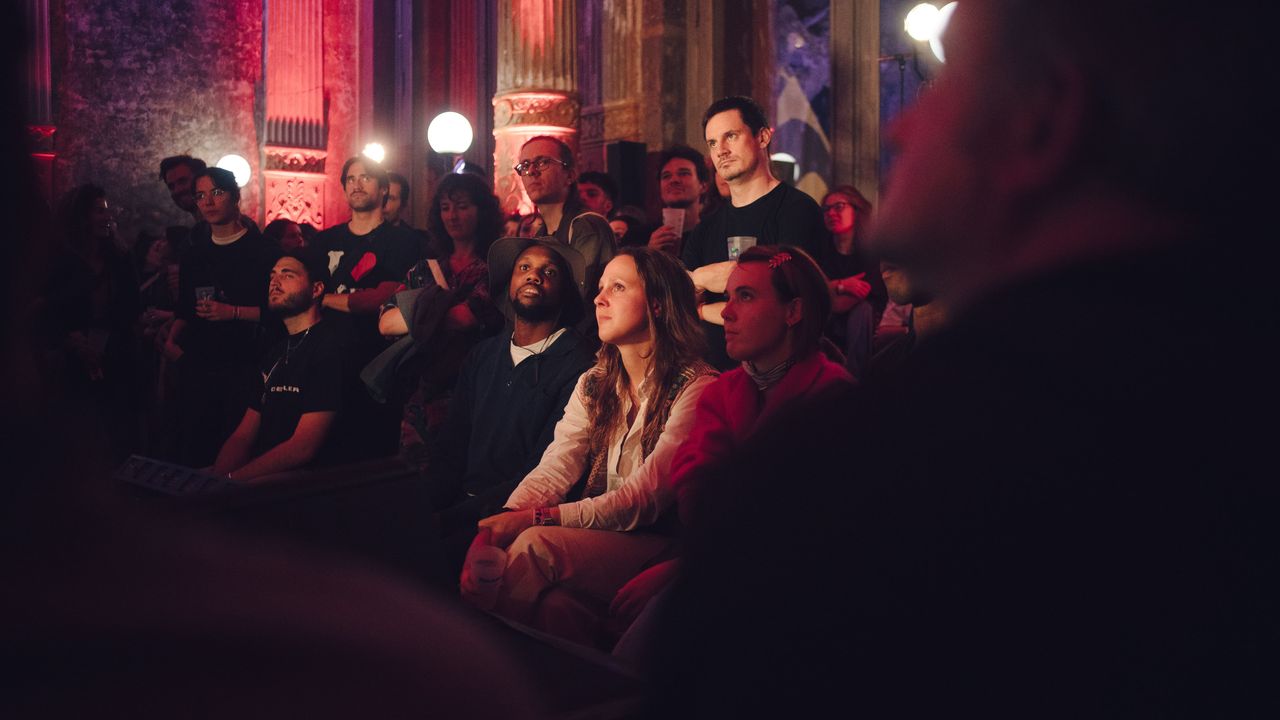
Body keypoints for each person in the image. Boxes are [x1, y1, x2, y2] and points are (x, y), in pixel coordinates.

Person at [647, 0, 1279, 715]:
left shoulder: (869, 469)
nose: (900, 125)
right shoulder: (1224, 389)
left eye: (951, 84)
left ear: (1043, 119)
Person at [466, 248, 716, 647]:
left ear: (657, 303)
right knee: (553, 604)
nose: (599, 299)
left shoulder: (697, 386)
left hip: (668, 546)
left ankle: (478, 664)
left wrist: (536, 520)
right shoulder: (594, 382)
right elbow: (555, 467)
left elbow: (643, 501)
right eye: (600, 288)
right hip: (607, 538)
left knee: (534, 545)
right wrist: (505, 521)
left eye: (618, 287)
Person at [609, 245, 852, 655]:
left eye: (746, 296)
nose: (726, 312)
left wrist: (684, 568)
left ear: (793, 311)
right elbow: (697, 496)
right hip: (719, 561)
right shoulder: (722, 393)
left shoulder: (833, 398)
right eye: (729, 296)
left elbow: (801, 526)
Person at [430, 238, 594, 572]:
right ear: (510, 284)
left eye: (549, 272)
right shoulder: (484, 354)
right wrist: (430, 509)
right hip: (458, 504)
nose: (534, 276)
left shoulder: (578, 364)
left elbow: (544, 467)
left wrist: (458, 519)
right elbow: (452, 443)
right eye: (525, 268)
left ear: (565, 292)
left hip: (517, 517)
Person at [680, 96, 825, 369]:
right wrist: (700, 278)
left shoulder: (798, 210)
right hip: (714, 377)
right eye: (712, 143)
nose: (721, 151)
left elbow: (784, 304)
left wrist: (701, 308)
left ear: (763, 137)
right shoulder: (706, 228)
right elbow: (675, 302)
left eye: (731, 136)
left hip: (781, 376)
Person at [375, 172, 506, 448]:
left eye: (462, 206)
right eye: (445, 208)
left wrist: (416, 313)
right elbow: (386, 322)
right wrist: (434, 315)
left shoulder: (494, 269)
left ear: (482, 211)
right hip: (422, 391)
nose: (452, 216)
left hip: (473, 390)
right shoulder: (426, 268)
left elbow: (465, 318)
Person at [164, 167, 278, 466]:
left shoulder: (263, 250)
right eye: (201, 196)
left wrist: (233, 312)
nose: (208, 202)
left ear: (235, 196)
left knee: (236, 449)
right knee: (197, 445)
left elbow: (278, 312)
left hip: (245, 363)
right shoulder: (194, 253)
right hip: (200, 364)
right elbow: (186, 308)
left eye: (217, 192)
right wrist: (172, 339)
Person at [311, 156, 421, 459]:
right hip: (326, 359)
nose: (356, 184)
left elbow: (384, 298)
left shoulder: (403, 241)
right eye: (350, 179)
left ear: (384, 189)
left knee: (371, 453)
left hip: (376, 361)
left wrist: (323, 299)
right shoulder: (323, 241)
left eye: (366, 178)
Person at [211, 249, 344, 480]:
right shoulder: (275, 353)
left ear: (316, 289)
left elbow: (304, 447)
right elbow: (243, 436)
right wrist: (217, 480)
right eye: (272, 275)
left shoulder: (330, 347)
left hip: (306, 482)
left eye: (287, 274)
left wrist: (233, 482)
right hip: (257, 474)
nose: (274, 281)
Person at [43, 184, 140, 460]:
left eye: (107, 211)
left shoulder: (120, 259)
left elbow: (132, 307)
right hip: (68, 365)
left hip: (115, 361)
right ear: (80, 217)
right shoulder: (58, 262)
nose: (107, 217)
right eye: (99, 211)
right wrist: (69, 339)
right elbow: (46, 311)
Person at [514, 136, 617, 303]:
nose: (531, 171)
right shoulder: (541, 233)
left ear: (570, 175)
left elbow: (580, 296)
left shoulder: (587, 226)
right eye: (525, 165)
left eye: (542, 162)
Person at [817, 185, 886, 378]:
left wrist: (829, 289)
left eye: (838, 207)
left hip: (860, 325)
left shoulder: (871, 252)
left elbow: (841, 303)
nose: (831, 213)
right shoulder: (821, 249)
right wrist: (842, 285)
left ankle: (854, 381)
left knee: (861, 310)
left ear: (856, 210)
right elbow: (811, 290)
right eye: (826, 209)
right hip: (827, 321)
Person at [647, 145, 711, 257]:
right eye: (666, 176)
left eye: (684, 173)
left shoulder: (714, 233)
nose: (674, 180)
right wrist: (650, 254)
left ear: (703, 185)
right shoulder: (639, 235)